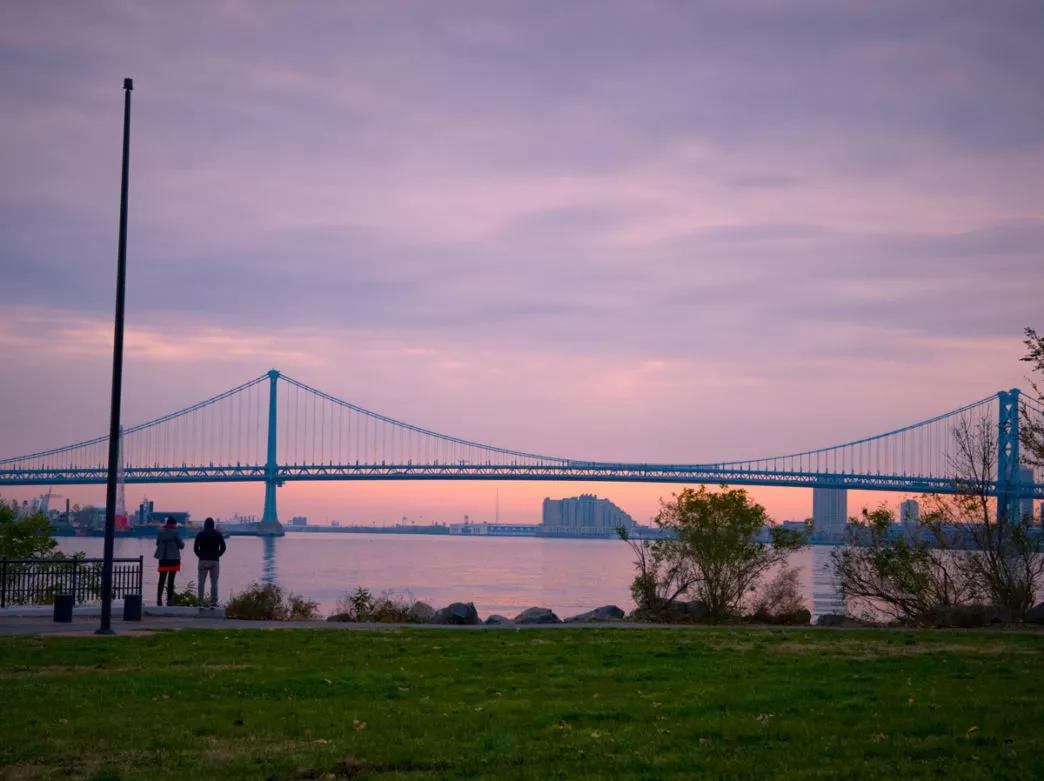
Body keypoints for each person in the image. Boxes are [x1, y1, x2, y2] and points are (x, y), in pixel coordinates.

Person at [193, 517, 227, 608]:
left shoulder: (200, 534)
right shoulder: (218, 534)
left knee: (201, 582)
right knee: (214, 583)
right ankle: (213, 602)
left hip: (203, 561)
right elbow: (223, 547)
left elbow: (195, 548)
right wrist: (218, 555)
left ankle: (200, 602)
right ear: (213, 525)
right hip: (214, 561)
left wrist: (200, 556)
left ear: (205, 524)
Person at [154, 516, 184, 606]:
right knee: (171, 580)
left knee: (161, 580)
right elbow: (181, 545)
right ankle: (169, 600)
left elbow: (157, 543)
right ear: (174, 524)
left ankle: (159, 600)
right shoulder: (175, 532)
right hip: (173, 559)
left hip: (163, 559)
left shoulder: (160, 532)